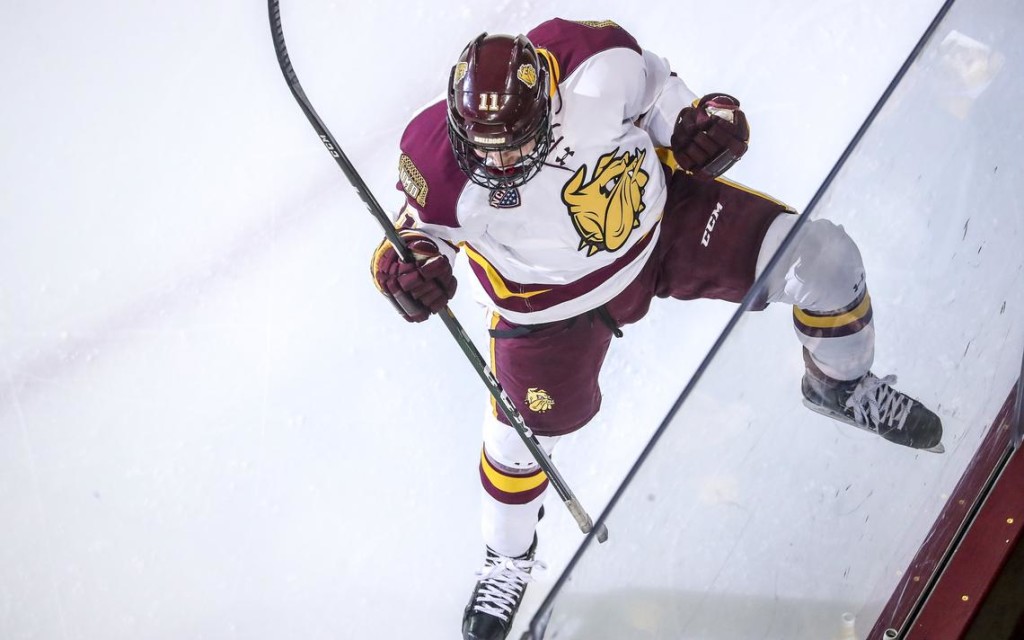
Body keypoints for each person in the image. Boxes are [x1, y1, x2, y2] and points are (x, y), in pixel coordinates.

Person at [369, 18, 943, 640]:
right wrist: (408, 271)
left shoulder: (594, 57)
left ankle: (838, 385)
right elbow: (417, 236)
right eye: (482, 146)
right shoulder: (432, 153)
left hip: (661, 226)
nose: (498, 162)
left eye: (512, 143)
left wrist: (698, 127)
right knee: (518, 443)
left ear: (547, 103)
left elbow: (660, 96)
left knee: (826, 262)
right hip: (549, 311)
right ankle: (507, 559)